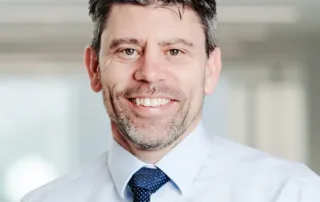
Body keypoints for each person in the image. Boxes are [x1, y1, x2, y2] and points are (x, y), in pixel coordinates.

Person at [21, 0, 320, 202]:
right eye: (128, 50)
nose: (149, 74)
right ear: (95, 68)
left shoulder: (290, 194)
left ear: (210, 69)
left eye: (174, 52)